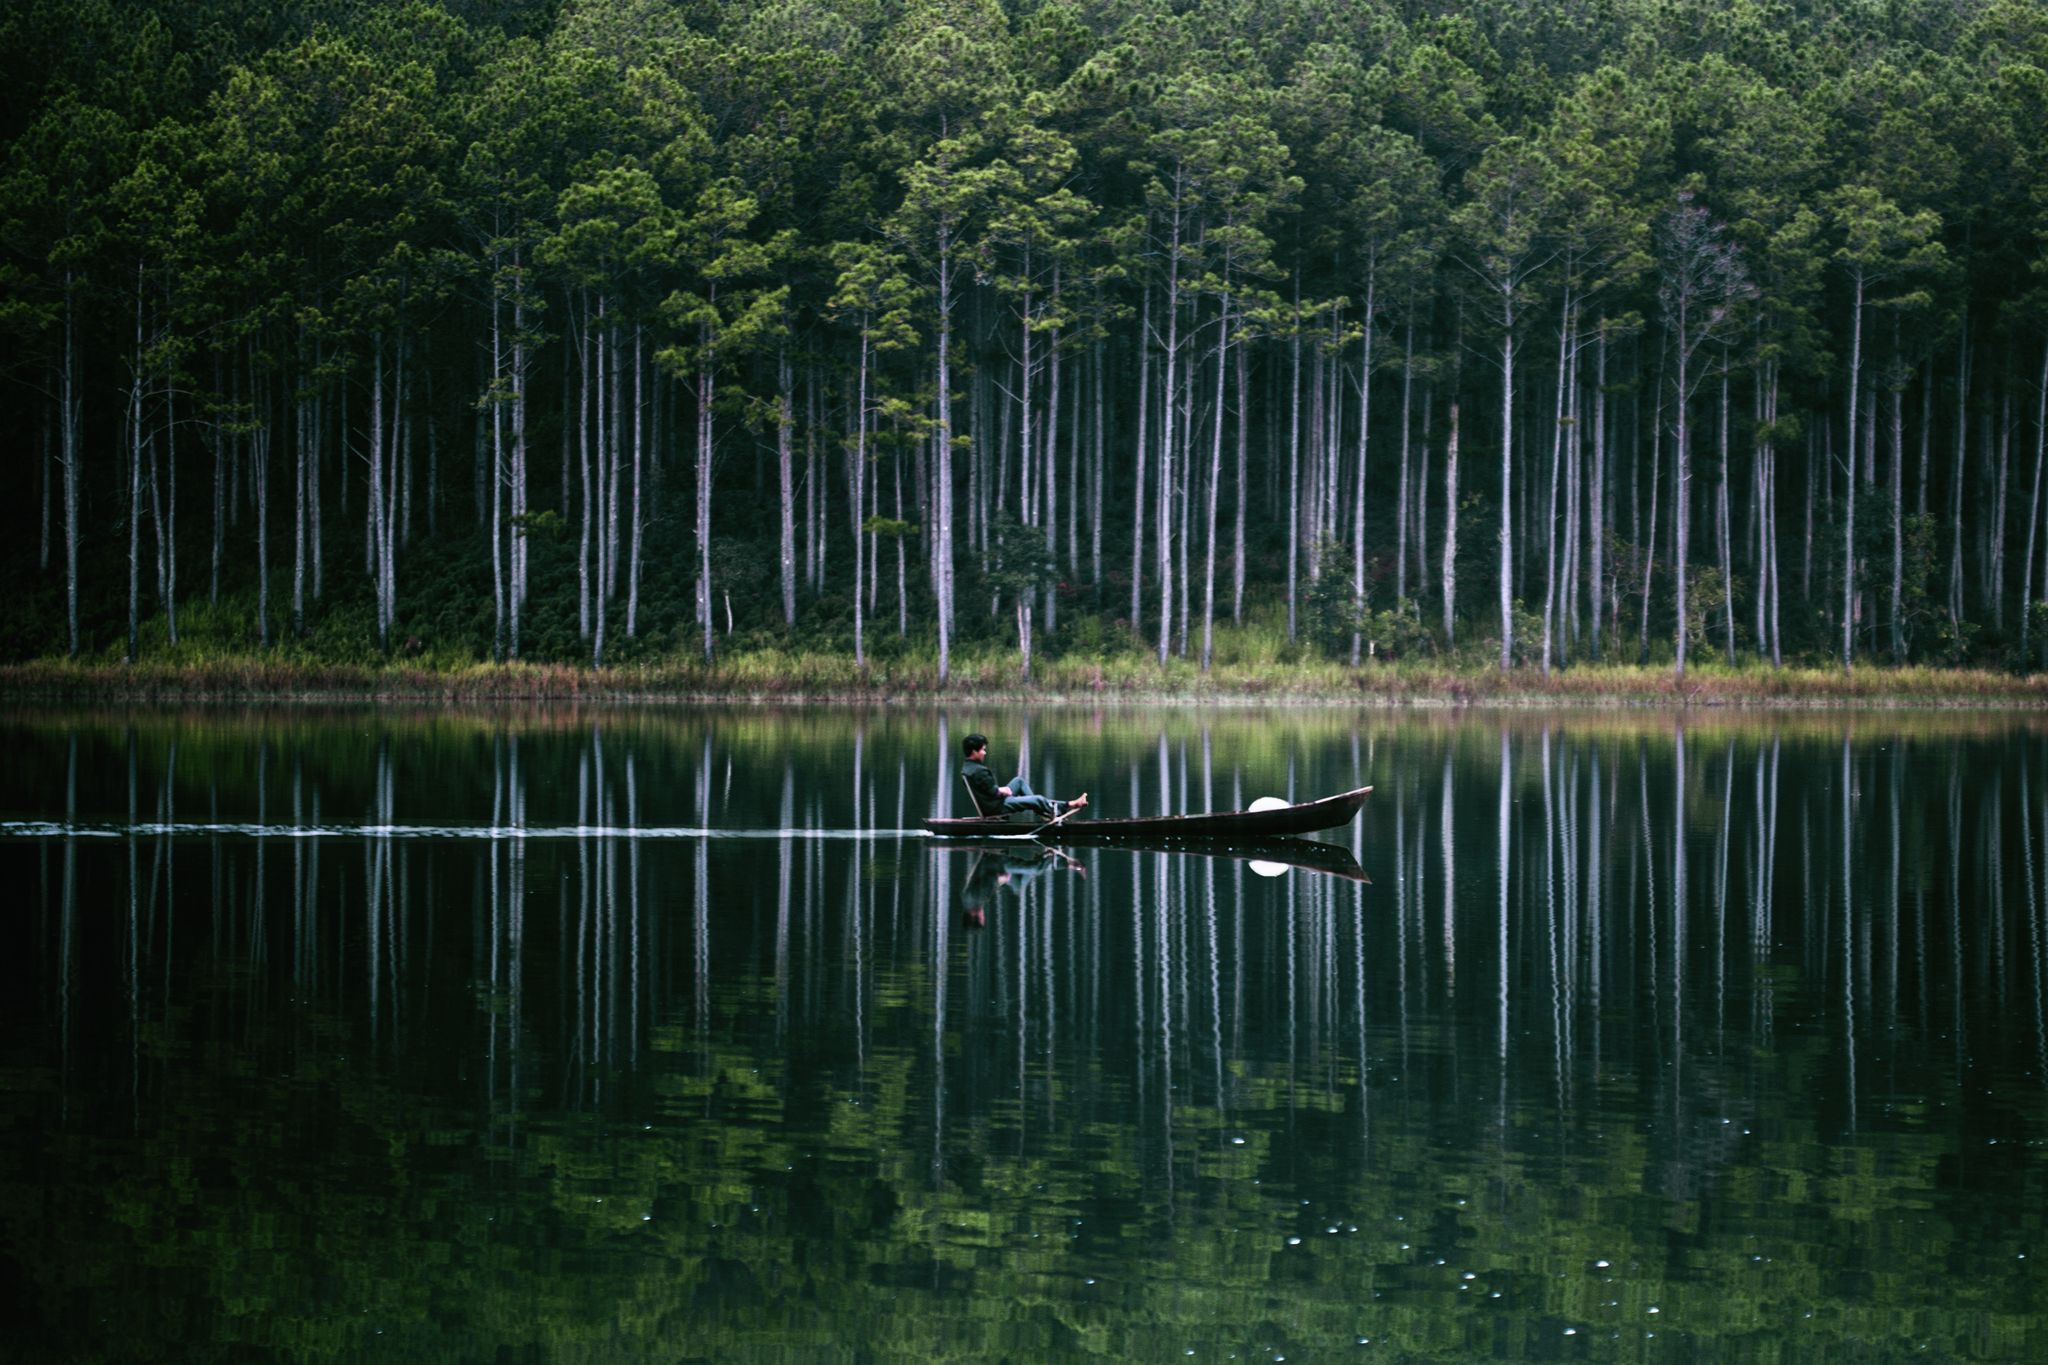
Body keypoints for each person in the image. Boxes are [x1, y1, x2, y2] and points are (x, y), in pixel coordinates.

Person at [960, 733, 1087, 819]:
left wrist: (1001, 790)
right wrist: (1003, 791)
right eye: (982, 749)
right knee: (1037, 799)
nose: (985, 753)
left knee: (1019, 781)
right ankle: (1062, 807)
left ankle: (1046, 811)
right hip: (996, 807)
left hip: (991, 803)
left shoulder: (968, 767)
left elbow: (987, 790)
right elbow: (994, 793)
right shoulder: (979, 771)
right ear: (973, 751)